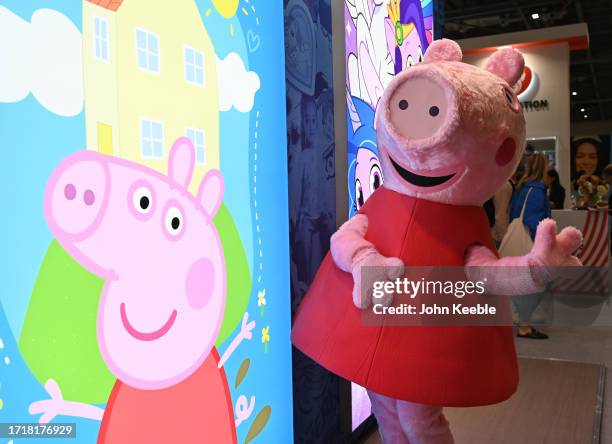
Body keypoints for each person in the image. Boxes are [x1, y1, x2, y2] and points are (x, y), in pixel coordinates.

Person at [509, 153, 551, 339]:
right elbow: (534, 220)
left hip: (518, 241)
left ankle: (521, 321)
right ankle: (524, 325)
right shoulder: (537, 190)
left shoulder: (521, 188)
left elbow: (515, 216)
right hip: (532, 244)